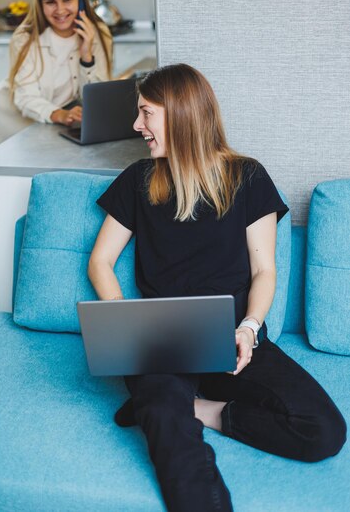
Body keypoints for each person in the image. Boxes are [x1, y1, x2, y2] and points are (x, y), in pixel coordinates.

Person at [87, 64, 346, 512]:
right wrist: (126, 323)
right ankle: (164, 409)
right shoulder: (138, 179)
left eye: (146, 113)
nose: (136, 126)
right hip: (161, 341)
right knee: (171, 436)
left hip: (234, 339)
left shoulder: (248, 178)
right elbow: (101, 261)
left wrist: (248, 328)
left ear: (182, 114)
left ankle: (193, 410)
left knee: (324, 431)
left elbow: (265, 270)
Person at [0, 0, 112, 151]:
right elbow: (26, 97)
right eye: (50, 2)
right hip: (5, 122)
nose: (60, 10)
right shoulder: (24, 39)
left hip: (48, 125)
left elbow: (97, 99)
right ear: (40, 3)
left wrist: (86, 55)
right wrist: (59, 114)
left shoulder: (97, 34)